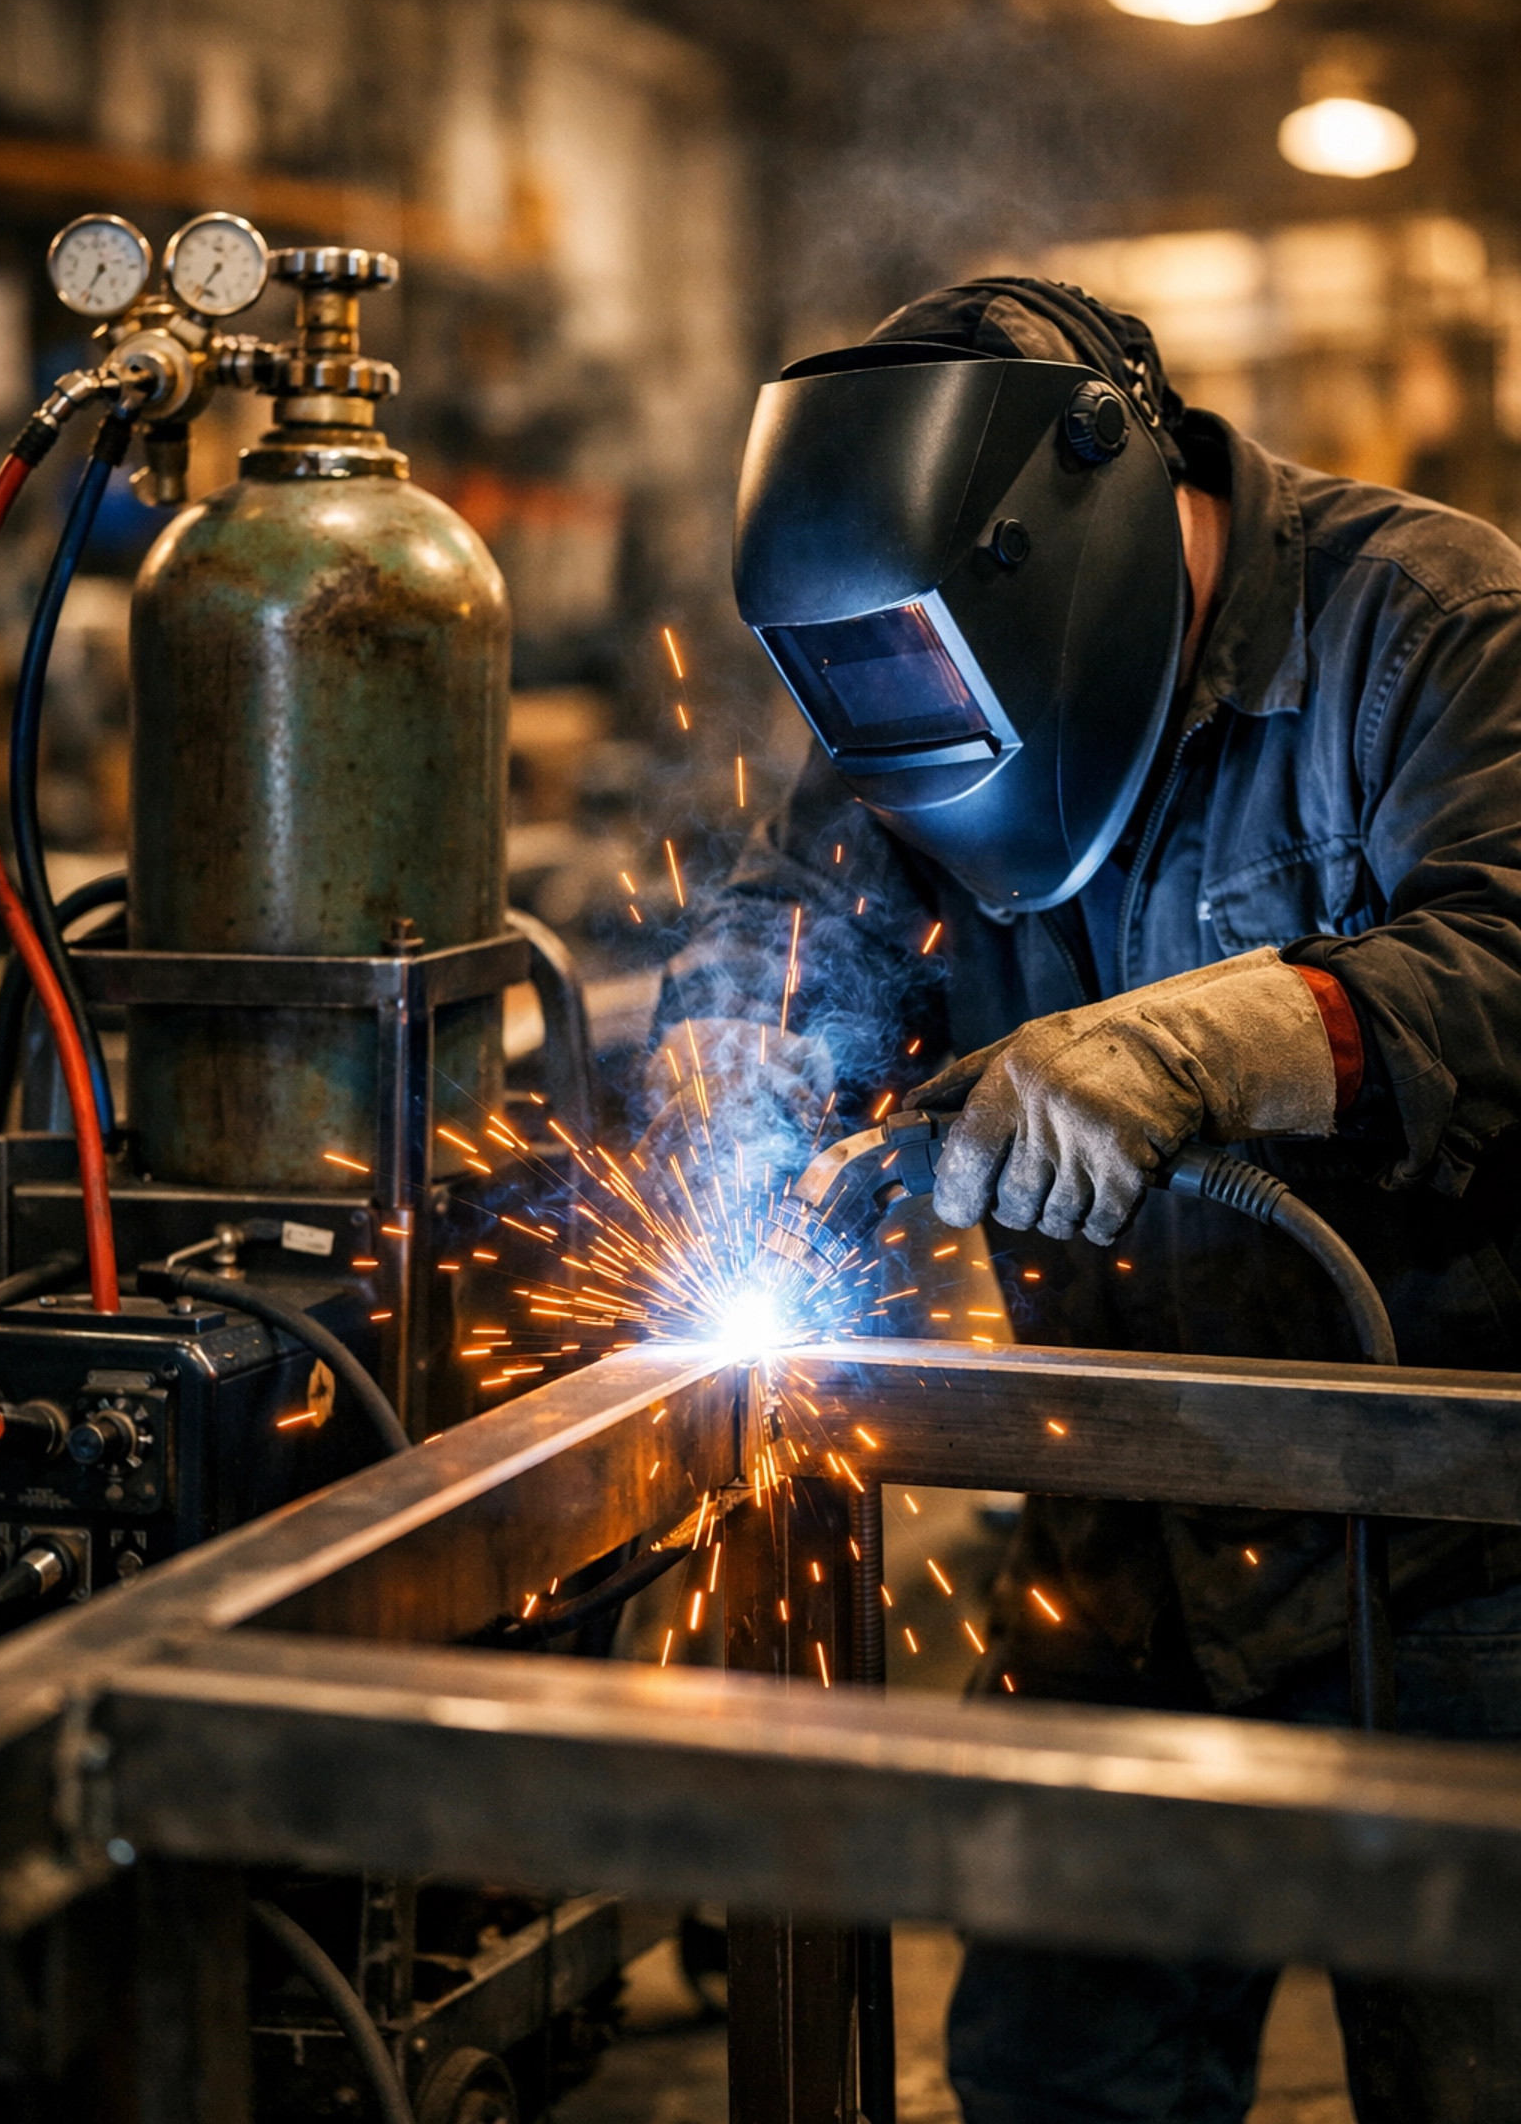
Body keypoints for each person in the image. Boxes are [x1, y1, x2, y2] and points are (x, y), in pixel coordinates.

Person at [638, 277, 1521, 2122]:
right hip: (1122, 1530)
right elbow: (786, 921)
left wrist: (1223, 1039)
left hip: (1448, 1557)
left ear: (1090, 528)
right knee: (1062, 2068)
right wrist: (740, 1065)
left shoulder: (1431, 626)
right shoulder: (916, 671)